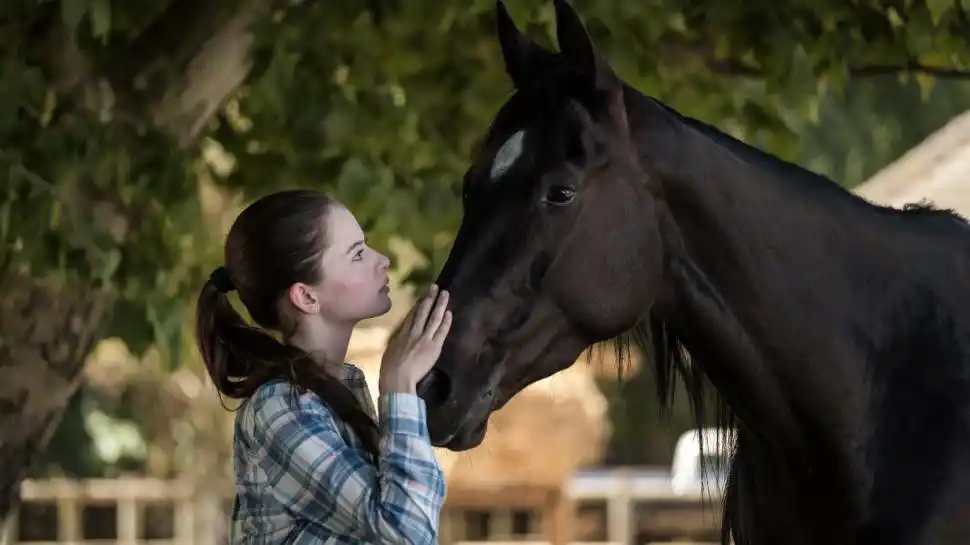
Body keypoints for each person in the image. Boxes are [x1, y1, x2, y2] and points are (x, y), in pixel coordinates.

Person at [195, 188, 452, 545]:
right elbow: (408, 533)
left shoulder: (344, 387)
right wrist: (399, 387)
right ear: (306, 296)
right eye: (358, 254)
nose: (383, 260)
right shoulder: (280, 407)